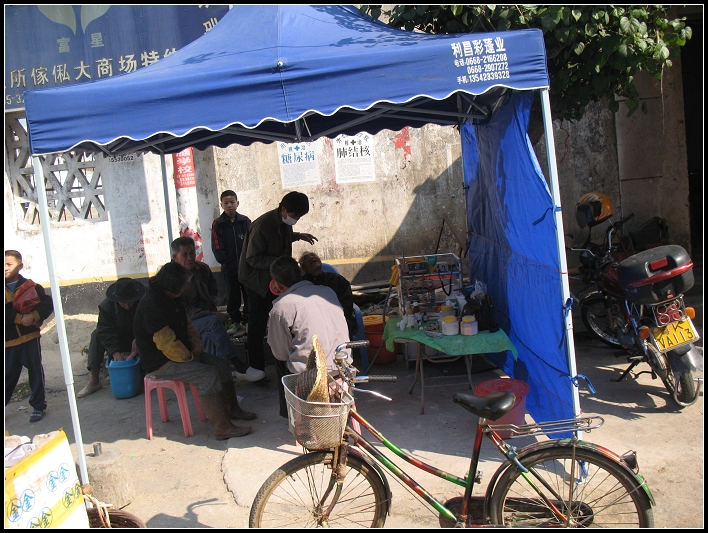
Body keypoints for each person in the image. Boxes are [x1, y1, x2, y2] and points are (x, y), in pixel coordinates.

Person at [133, 261, 254, 440]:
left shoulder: (172, 296)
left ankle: (232, 410)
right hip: (161, 361)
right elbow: (167, 344)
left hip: (183, 352)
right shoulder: (152, 304)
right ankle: (222, 428)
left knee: (221, 365)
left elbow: (188, 325)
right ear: (172, 286)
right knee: (208, 375)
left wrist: (196, 348)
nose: (186, 286)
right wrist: (190, 358)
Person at [238, 191, 318, 385]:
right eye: (295, 216)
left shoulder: (284, 223)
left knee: (281, 322)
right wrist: (282, 263)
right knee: (257, 326)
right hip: (257, 281)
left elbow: (281, 239)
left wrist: (298, 236)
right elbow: (253, 257)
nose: (296, 220)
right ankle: (256, 371)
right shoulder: (262, 225)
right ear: (283, 210)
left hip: (275, 278)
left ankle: (286, 366)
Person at [267, 256, 352, 418]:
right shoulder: (327, 292)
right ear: (301, 272)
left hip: (311, 376)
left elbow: (280, 353)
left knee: (281, 362)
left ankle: (291, 415)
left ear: (277, 285)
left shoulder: (280, 308)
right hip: (343, 365)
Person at [171, 236, 265, 383]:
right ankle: (238, 364)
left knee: (210, 337)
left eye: (192, 253)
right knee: (214, 322)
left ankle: (220, 377)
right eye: (184, 254)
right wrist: (210, 314)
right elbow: (183, 312)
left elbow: (213, 290)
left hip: (203, 320)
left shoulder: (202, 269)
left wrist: (211, 305)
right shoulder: (171, 278)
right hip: (183, 323)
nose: (190, 258)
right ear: (175, 258)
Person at [5, 250, 54, 423]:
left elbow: (47, 304)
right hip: (8, 341)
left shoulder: (32, 287)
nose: (5, 268)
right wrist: (19, 318)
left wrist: (34, 315)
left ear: (20, 266)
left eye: (9, 264)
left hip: (30, 337)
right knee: (8, 375)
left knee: (35, 371)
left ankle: (38, 406)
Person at [77, 278, 145, 398]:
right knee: (96, 334)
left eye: (130, 302)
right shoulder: (106, 307)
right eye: (123, 303)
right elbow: (105, 331)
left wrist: (140, 337)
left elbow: (151, 323)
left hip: (139, 339)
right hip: (119, 340)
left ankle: (150, 373)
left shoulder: (144, 301)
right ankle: (94, 381)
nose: (127, 306)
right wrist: (114, 351)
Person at [211, 190, 251, 335]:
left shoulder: (245, 221)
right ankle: (235, 322)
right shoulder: (218, 224)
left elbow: (252, 243)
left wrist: (249, 262)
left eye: (232, 202)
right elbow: (217, 247)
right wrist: (226, 263)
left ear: (237, 203)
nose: (229, 205)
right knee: (233, 297)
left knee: (249, 296)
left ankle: (248, 321)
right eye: (226, 203)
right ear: (222, 205)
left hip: (246, 269)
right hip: (229, 269)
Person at [299, 251, 358, 339]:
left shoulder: (337, 279)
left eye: (313, 255)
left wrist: (334, 316)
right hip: (313, 322)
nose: (311, 257)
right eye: (306, 258)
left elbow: (347, 302)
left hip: (339, 319)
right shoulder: (301, 285)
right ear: (303, 268)